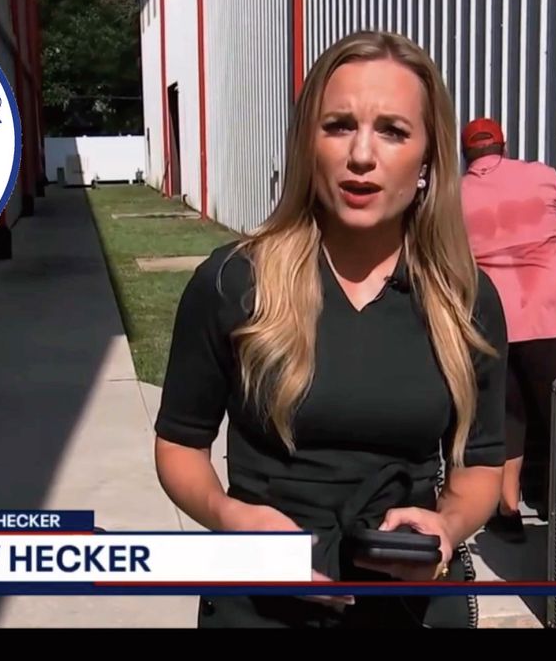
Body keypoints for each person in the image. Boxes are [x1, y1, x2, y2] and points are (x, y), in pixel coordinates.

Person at [153, 31, 508, 628]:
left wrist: (446, 527)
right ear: (307, 145)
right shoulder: (234, 283)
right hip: (258, 611)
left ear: (427, 160)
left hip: (411, 610)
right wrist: (232, 518)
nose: (361, 155)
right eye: (339, 125)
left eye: (393, 131)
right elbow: (180, 446)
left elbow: (480, 465)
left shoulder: (465, 299)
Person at [457, 117, 556, 543]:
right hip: (548, 319)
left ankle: (508, 510)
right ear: (504, 146)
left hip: (491, 323)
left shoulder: (455, 196)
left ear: (466, 155)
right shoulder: (543, 176)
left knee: (507, 415)